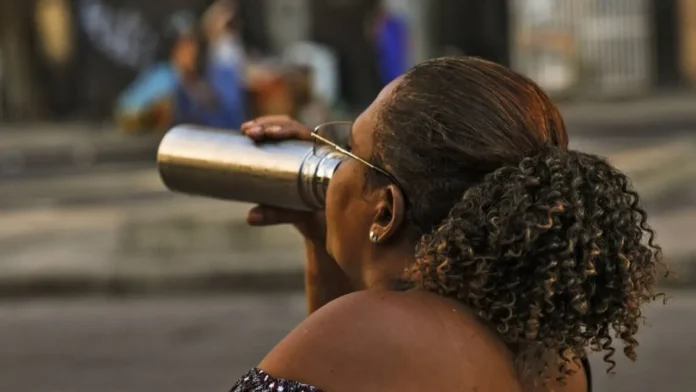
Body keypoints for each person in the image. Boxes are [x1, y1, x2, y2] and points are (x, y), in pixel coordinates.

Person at [232, 56, 668, 391]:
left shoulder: (367, 331)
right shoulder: (557, 356)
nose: (334, 164)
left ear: (385, 211)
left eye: (348, 149)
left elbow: (348, 349)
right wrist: (320, 238)